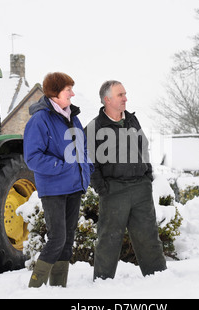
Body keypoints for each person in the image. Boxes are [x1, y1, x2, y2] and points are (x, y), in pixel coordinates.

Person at [85, 80, 167, 280]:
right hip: (114, 190)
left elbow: (143, 147)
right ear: (107, 99)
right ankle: (103, 283)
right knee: (109, 239)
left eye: (125, 94)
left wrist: (148, 174)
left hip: (140, 188)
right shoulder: (94, 127)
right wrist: (102, 188)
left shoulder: (132, 120)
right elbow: (88, 162)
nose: (125, 98)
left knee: (148, 236)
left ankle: (159, 279)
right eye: (120, 95)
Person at [24, 72, 94, 288]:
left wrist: (87, 168)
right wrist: (63, 167)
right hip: (53, 188)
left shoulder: (73, 118)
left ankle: (57, 289)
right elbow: (32, 158)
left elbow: (83, 148)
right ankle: (34, 288)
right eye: (67, 90)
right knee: (57, 239)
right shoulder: (39, 120)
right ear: (55, 93)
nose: (72, 93)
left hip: (74, 187)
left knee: (67, 240)